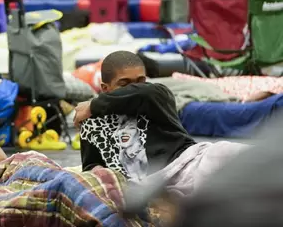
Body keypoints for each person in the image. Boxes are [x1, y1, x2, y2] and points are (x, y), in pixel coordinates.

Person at [74, 51, 246, 194]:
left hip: (188, 164)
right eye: (125, 84)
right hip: (152, 187)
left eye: (140, 82)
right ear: (105, 88)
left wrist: (94, 104)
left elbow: (145, 93)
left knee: (231, 154)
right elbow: (91, 167)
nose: (136, 88)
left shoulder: (156, 97)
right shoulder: (94, 123)